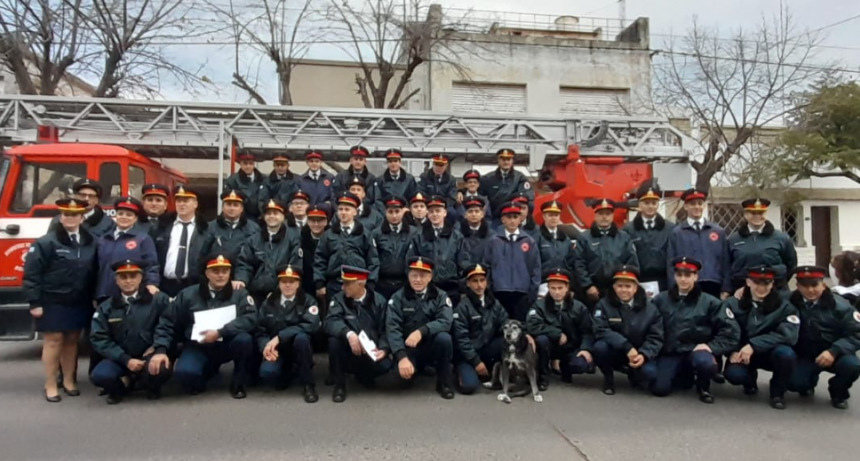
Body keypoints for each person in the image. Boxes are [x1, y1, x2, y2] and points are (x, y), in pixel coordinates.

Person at [149, 252, 257, 399]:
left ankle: (238, 383)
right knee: (185, 375)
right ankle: (206, 373)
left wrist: (221, 332)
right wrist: (161, 349)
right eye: (215, 271)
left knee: (244, 340)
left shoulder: (239, 294)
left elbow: (250, 318)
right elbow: (168, 321)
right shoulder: (187, 294)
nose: (221, 275)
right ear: (206, 273)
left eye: (225, 271)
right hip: (198, 346)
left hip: (227, 343)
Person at [23, 198, 98, 402]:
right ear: (60, 216)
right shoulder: (47, 242)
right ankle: (50, 384)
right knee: (53, 340)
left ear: (82, 217)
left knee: (72, 340)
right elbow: (32, 273)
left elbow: (95, 272)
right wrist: (34, 302)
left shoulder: (91, 241)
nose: (70, 218)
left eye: (74, 215)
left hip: (79, 299)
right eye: (66, 214)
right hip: (52, 299)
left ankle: (69, 381)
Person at [651, 257, 740, 403]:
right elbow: (651, 326)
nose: (683, 279)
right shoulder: (660, 299)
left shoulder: (711, 302)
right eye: (679, 275)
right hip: (671, 351)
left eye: (688, 275)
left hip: (696, 351)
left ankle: (703, 387)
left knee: (706, 363)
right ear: (675, 276)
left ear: (696, 276)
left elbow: (730, 331)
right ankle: (684, 375)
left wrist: (711, 347)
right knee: (660, 389)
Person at [90, 260, 172, 404]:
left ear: (140, 278)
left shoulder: (159, 300)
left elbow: (168, 325)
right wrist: (125, 360)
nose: (128, 281)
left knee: (161, 368)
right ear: (116, 280)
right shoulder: (106, 307)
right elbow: (99, 338)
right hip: (120, 357)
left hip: (149, 354)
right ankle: (121, 388)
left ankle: (151, 386)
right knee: (100, 376)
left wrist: (158, 348)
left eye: (133, 276)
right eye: (123, 277)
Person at [723, 266, 799, 410]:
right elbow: (726, 330)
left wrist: (753, 345)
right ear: (748, 282)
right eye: (757, 283)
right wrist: (732, 350)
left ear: (772, 284)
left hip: (770, 353)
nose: (761, 287)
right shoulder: (733, 304)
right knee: (734, 375)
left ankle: (777, 393)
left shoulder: (784, 306)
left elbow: (789, 335)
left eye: (766, 283)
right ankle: (749, 380)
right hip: (742, 354)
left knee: (786, 355)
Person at [788, 266, 860, 409]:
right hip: (805, 354)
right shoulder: (789, 301)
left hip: (836, 352)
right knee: (794, 384)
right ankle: (808, 382)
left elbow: (856, 333)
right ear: (797, 286)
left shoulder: (841, 306)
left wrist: (834, 351)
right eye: (805, 286)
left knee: (852, 366)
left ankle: (838, 392)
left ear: (823, 284)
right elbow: (765, 299)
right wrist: (742, 292)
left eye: (814, 285)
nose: (810, 290)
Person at [387, 257, 456, 399]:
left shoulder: (440, 296)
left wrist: (421, 331)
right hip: (409, 349)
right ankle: (415, 368)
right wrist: (401, 357)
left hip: (430, 346)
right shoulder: (397, 297)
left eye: (423, 276)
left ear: (430, 277)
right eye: (414, 275)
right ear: (408, 276)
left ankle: (443, 382)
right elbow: (392, 328)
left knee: (445, 339)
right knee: (401, 382)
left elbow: (446, 321)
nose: (418, 280)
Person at [325, 265, 393, 403]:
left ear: (361, 283)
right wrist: (349, 334)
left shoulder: (379, 301)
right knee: (333, 342)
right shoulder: (338, 299)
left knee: (385, 365)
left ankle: (364, 376)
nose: (343, 287)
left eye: (347, 284)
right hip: (348, 348)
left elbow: (386, 329)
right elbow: (330, 321)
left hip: (370, 349)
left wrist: (384, 349)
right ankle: (339, 385)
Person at [592, 266, 663, 395]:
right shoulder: (603, 304)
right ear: (614, 287)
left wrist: (644, 354)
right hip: (617, 350)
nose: (623, 290)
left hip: (639, 353)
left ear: (635, 288)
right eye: (619, 286)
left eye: (628, 286)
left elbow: (655, 336)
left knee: (650, 374)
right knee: (599, 347)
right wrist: (626, 346)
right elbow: (600, 329)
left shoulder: (651, 308)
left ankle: (634, 373)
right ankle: (608, 378)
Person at [255, 264, 320, 403]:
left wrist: (280, 337)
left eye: (292, 281)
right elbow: (260, 329)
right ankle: (287, 371)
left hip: (299, 347)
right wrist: (265, 348)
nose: (288, 285)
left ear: (298, 284)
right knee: (268, 373)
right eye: (284, 281)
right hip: (277, 349)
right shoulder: (269, 302)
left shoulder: (308, 301)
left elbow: (311, 325)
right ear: (279, 283)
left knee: (302, 339)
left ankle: (308, 385)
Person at [527, 268, 594, 391]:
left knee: (581, 365)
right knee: (542, 340)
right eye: (553, 288)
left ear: (567, 287)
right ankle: (543, 376)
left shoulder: (579, 307)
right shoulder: (540, 305)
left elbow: (587, 331)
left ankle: (566, 368)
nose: (556, 292)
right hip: (550, 346)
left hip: (571, 347)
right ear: (548, 287)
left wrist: (585, 349)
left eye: (560, 288)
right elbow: (532, 325)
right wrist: (557, 333)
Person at [314, 192, 380, 303]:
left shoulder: (365, 234)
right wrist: (319, 283)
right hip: (334, 284)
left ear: (355, 212)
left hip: (357, 284)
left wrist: (370, 283)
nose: (343, 213)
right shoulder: (328, 234)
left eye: (347, 209)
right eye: (340, 209)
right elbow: (320, 259)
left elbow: (373, 260)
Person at [571, 199, 639, 306]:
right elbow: (579, 263)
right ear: (595, 215)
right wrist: (588, 286)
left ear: (612, 216)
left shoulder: (624, 237)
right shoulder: (584, 238)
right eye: (601, 213)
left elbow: (631, 262)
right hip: (592, 292)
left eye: (608, 214)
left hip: (618, 290)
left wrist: (622, 285)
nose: (604, 217)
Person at [453, 264, 508, 395]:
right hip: (467, 355)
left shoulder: (494, 303)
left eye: (482, 280)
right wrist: (476, 362)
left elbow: (505, 322)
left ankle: (502, 370)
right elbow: (461, 339)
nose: (479, 285)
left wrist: (524, 335)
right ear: (468, 283)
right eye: (475, 281)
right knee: (469, 387)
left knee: (508, 340)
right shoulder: (462, 307)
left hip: (487, 348)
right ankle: (460, 370)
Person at [667, 188, 731, 299]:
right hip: (687, 287)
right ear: (686, 206)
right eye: (692, 204)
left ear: (704, 205)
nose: (697, 207)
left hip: (714, 285)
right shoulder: (677, 233)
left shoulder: (717, 231)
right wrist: (674, 288)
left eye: (700, 203)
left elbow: (726, 262)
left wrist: (726, 288)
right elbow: (670, 263)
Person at [235, 199, 302, 304]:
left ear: (283, 216)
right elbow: (245, 263)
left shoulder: (293, 240)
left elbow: (295, 266)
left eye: (276, 213)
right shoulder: (253, 240)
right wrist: (241, 279)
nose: (272, 216)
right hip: (255, 293)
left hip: (283, 294)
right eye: (268, 213)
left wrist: (278, 292)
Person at [406, 195, 470, 305]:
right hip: (428, 288)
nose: (434, 214)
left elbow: (463, 263)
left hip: (452, 288)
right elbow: (411, 262)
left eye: (438, 211)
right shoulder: (418, 236)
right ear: (427, 213)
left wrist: (461, 286)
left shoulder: (456, 237)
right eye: (431, 211)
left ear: (445, 213)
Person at [483, 201, 541, 321]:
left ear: (520, 219)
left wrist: (532, 291)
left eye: (515, 217)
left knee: (520, 326)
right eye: (508, 217)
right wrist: (490, 288)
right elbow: (486, 265)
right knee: (501, 325)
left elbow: (535, 268)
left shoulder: (529, 241)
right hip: (499, 292)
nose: (512, 221)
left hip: (522, 293)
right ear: (502, 219)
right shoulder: (494, 241)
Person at [95, 197, 160, 302]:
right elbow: (97, 269)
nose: (124, 217)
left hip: (132, 294)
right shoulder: (104, 239)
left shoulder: (143, 239)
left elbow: (151, 265)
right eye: (120, 214)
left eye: (129, 215)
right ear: (115, 216)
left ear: (135, 218)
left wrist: (151, 284)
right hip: (105, 293)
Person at [728, 198, 797, 294]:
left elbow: (791, 264)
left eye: (761, 213)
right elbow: (727, 266)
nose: (757, 216)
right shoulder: (733, 240)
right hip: (743, 292)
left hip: (776, 290)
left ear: (766, 214)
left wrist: (777, 283)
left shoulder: (782, 238)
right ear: (745, 215)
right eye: (753, 213)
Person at [152, 186, 209, 297]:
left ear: (195, 204)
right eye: (178, 201)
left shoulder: (206, 229)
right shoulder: (161, 226)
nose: (181, 204)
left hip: (193, 286)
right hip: (164, 286)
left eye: (186, 201)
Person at [623, 183, 674, 292]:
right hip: (639, 280)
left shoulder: (670, 228)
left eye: (654, 203)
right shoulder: (628, 230)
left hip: (664, 281)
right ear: (640, 204)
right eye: (646, 203)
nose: (650, 206)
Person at [372, 196, 416, 299]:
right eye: (390, 212)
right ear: (385, 212)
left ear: (403, 211)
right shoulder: (377, 233)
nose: (394, 215)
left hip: (405, 283)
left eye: (397, 211)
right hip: (382, 284)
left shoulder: (413, 233)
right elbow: (373, 258)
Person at [480, 148, 533, 228]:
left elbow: (527, 195)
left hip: (514, 215)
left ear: (512, 161)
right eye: (503, 159)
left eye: (508, 159)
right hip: (496, 218)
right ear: (498, 160)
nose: (506, 162)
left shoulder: (520, 178)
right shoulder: (488, 178)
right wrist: (461, 191)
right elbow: (477, 194)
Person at [200, 190, 260, 258]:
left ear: (242, 208)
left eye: (236, 205)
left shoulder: (253, 229)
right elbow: (202, 254)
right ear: (222, 207)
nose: (232, 208)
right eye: (228, 204)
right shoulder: (210, 227)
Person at [50, 178, 116, 238]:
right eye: (82, 195)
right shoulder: (58, 221)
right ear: (75, 197)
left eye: (91, 196)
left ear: (97, 201)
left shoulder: (108, 224)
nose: (86, 199)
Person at [533, 201, 575, 286]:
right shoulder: (536, 238)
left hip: (563, 282)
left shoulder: (565, 239)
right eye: (550, 215)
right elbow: (532, 264)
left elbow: (571, 263)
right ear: (544, 216)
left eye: (556, 215)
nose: (554, 218)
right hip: (542, 283)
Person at [301, 204, 331, 298]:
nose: (316, 224)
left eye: (320, 220)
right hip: (306, 287)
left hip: (328, 287)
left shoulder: (332, 239)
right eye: (312, 220)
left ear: (326, 221)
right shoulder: (300, 239)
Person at [374, 149, 418, 214]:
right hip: (386, 213)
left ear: (400, 162)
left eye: (395, 161)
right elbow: (378, 199)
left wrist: (407, 208)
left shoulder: (409, 179)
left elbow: (413, 196)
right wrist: (385, 212)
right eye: (390, 161)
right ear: (387, 163)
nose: (393, 164)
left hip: (405, 213)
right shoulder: (380, 180)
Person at [224, 152, 265, 221]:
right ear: (240, 164)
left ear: (254, 164)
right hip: (242, 218)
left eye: (250, 163)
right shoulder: (232, 180)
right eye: (245, 163)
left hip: (262, 218)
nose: (248, 166)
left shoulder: (264, 179)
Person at [418, 155, 458, 222]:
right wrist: (429, 202)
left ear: (446, 166)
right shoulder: (424, 177)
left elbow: (452, 196)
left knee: (452, 213)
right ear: (433, 164)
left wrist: (442, 205)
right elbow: (421, 192)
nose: (438, 168)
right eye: (436, 164)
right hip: (428, 203)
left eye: (441, 165)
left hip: (444, 204)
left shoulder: (451, 180)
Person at [460, 196, 495, 265]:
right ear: (465, 215)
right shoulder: (459, 235)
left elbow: (492, 258)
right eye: (470, 211)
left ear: (482, 214)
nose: (474, 214)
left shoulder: (492, 235)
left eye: (477, 211)